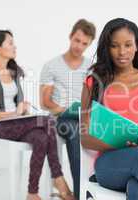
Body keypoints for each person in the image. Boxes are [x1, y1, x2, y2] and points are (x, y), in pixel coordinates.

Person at [0, 30, 74, 200]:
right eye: (10, 43)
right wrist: (13, 113)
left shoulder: (14, 72)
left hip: (16, 124)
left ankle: (32, 193)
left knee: (41, 137)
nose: (15, 47)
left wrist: (24, 109)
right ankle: (58, 178)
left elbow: (17, 105)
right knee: (48, 121)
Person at [80, 18, 138, 200]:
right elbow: (85, 138)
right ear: (107, 48)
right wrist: (120, 143)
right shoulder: (94, 82)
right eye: (115, 46)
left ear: (137, 46)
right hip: (111, 163)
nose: (122, 52)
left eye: (128, 45)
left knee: (137, 189)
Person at [40, 19, 96, 200]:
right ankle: (81, 194)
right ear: (71, 36)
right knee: (74, 129)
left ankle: (95, 190)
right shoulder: (51, 66)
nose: (79, 46)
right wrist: (65, 109)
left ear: (89, 44)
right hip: (60, 117)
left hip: (83, 116)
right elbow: (45, 102)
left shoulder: (90, 68)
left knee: (92, 129)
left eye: (84, 43)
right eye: (77, 40)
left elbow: (95, 98)